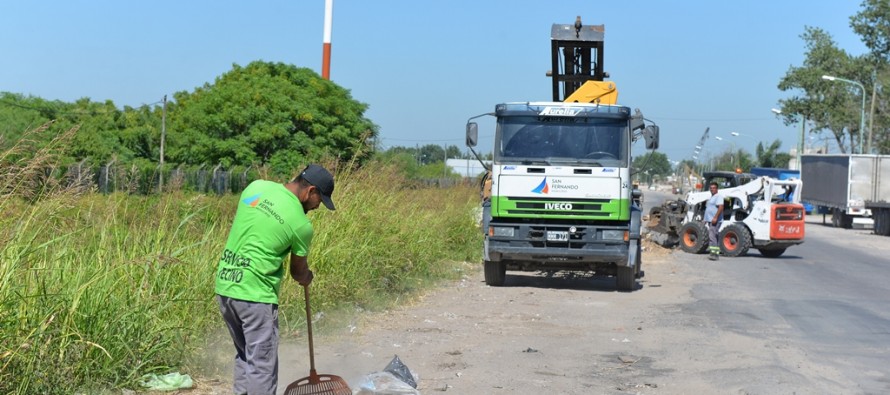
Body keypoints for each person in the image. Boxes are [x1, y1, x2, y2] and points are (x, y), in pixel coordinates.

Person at [215, 164, 336, 395]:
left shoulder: (256, 187)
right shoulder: (301, 225)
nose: (318, 206)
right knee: (262, 366)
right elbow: (298, 273)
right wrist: (307, 276)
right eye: (319, 200)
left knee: (245, 355)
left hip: (226, 286)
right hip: (255, 295)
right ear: (310, 191)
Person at [704, 181, 724, 261]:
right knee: (714, 236)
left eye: (714, 188)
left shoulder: (718, 196)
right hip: (710, 220)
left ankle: (714, 254)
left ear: (717, 189)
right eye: (711, 188)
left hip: (715, 220)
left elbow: (721, 207)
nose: (712, 189)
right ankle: (715, 252)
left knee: (712, 236)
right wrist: (705, 219)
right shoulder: (711, 197)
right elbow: (709, 209)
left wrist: (715, 217)